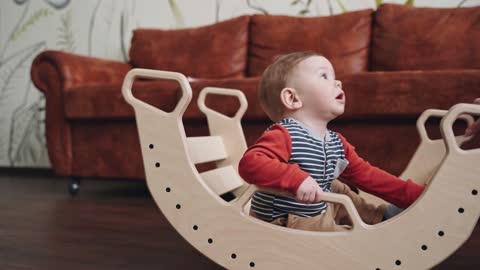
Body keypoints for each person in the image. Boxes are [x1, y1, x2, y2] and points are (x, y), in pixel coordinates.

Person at [238, 51, 425, 232]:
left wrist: (412, 195)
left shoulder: (336, 141)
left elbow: (369, 176)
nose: (338, 82)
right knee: (333, 226)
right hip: (285, 221)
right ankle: (352, 238)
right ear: (293, 98)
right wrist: (297, 179)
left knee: (338, 189)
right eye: (324, 76)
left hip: (317, 210)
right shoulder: (284, 134)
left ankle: (378, 217)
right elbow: (250, 163)